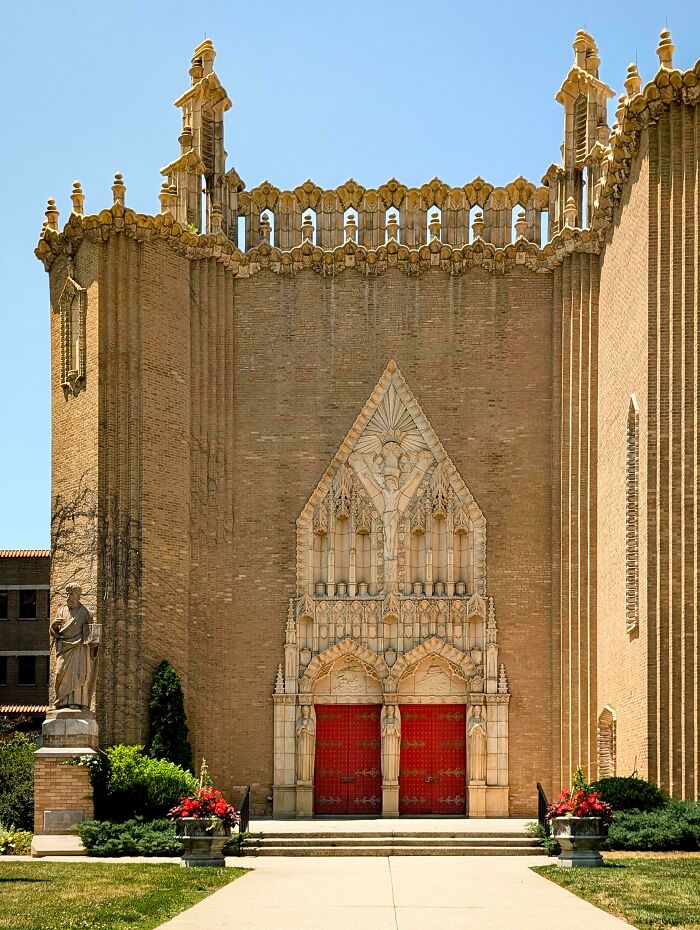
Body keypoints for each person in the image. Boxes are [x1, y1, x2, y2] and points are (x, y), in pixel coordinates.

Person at [50, 583, 98, 710]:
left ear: (78, 596)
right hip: (63, 647)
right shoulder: (61, 610)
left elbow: (91, 634)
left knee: (78, 675)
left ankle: (76, 702)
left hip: (79, 648)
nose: (68, 597)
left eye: (71, 594)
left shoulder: (86, 612)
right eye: (67, 594)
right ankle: (59, 701)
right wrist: (53, 625)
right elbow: (55, 632)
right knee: (59, 673)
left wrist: (94, 642)